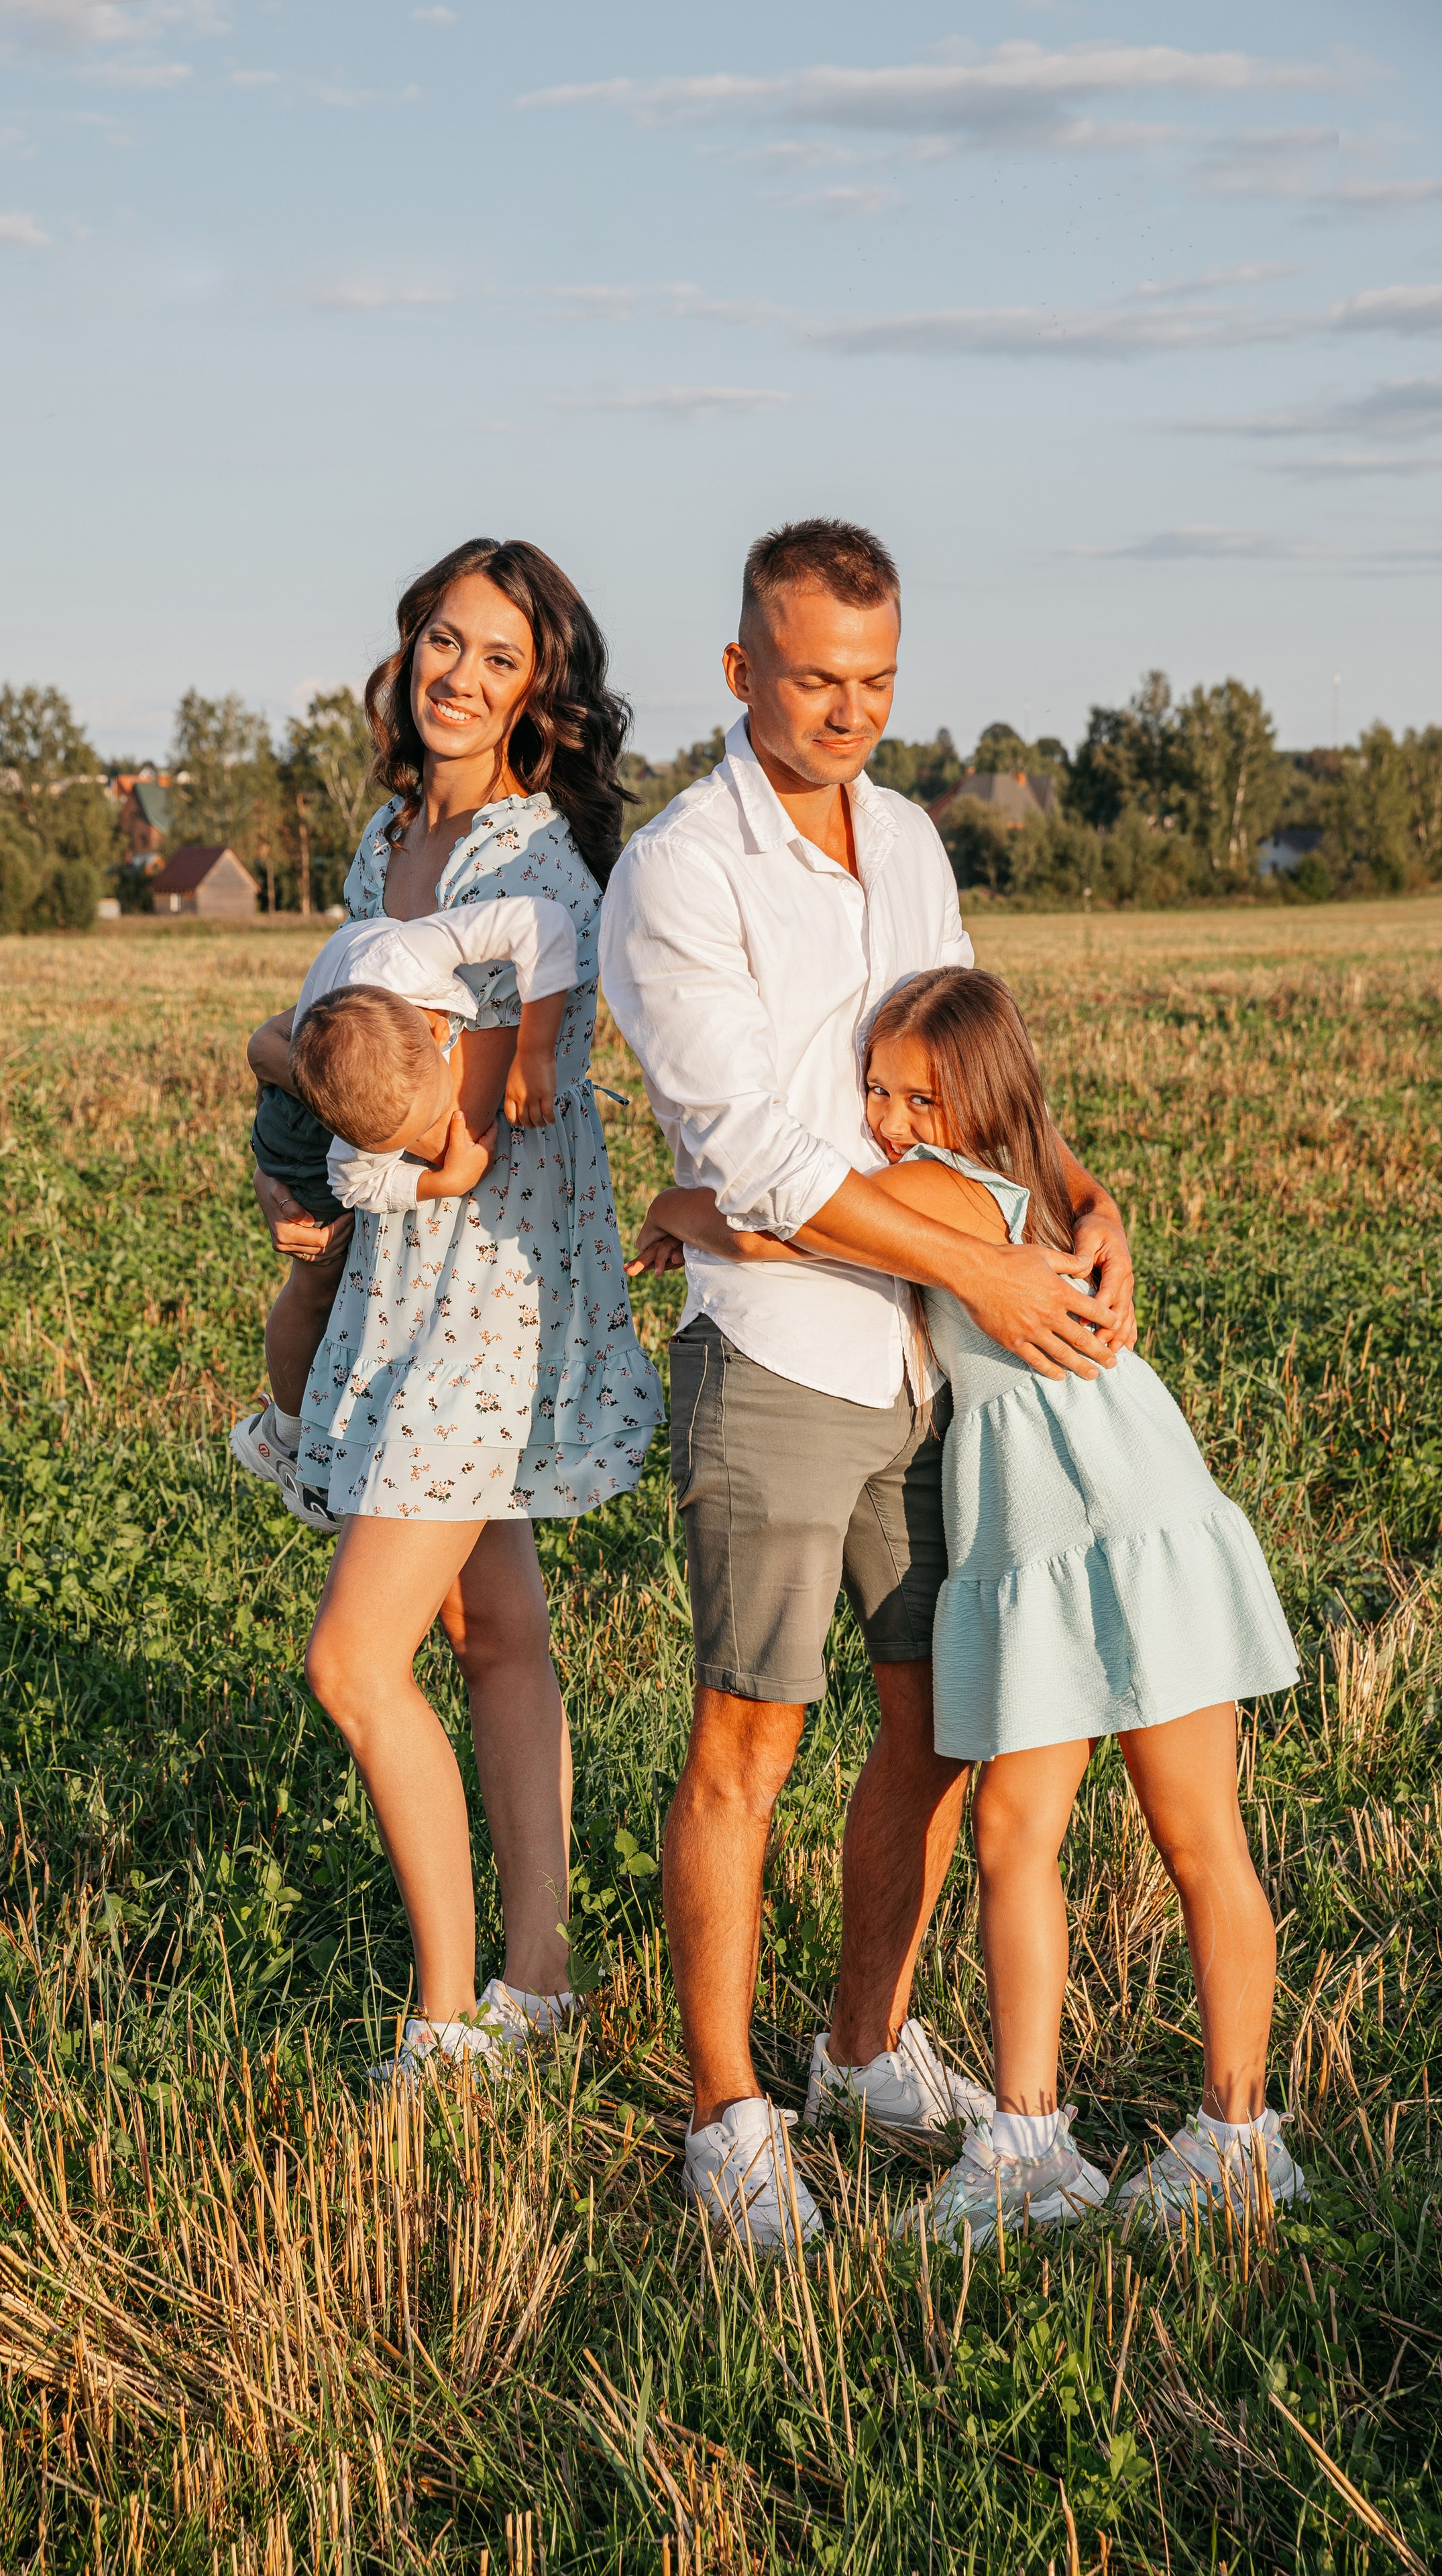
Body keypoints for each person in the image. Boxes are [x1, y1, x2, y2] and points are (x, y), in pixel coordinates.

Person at [600, 516, 1136, 2250]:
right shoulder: (682, 871)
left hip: (926, 1368)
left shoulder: (908, 837)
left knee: (938, 1727)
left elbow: (963, 1058)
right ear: (742, 667)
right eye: (813, 678)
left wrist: (1072, 1199)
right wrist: (977, 1257)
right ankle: (725, 2116)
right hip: (775, 1359)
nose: (847, 712)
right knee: (752, 1736)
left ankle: (857, 2052)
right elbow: (757, 1153)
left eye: (877, 682)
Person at [639, 967, 1305, 2243]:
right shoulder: (1043, 1178)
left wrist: (678, 1202)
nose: (886, 1118)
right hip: (1097, 1521)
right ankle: (1130, 2138)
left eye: (914, 1094)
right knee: (1093, 1833)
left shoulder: (942, 1187)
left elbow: (801, 1225)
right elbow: (1055, 1183)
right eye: (875, 1090)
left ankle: (1136, 2138)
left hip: (1094, 1525)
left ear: (976, 1098)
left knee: (1107, 1837)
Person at [274, 538, 664, 2078]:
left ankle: (449, 2023)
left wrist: (373, 1163)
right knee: (489, 1628)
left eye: (496, 658)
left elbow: (512, 1112)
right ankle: (540, 1981)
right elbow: (352, 1045)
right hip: (402, 1274)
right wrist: (310, 1157)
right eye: (442, 639)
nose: (457, 674)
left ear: (538, 693)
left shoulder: (529, 863)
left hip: (489, 1289)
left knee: (352, 1665)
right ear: (405, 647)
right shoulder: (387, 844)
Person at [230, 894, 577, 1527]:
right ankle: (285, 1439)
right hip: (305, 1119)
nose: (429, 1139)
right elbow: (355, 1179)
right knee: (321, 1273)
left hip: (323, 1070)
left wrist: (537, 1048)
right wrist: (439, 1183)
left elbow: (543, 921)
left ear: (438, 1030)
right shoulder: (354, 1130)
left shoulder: (416, 949)